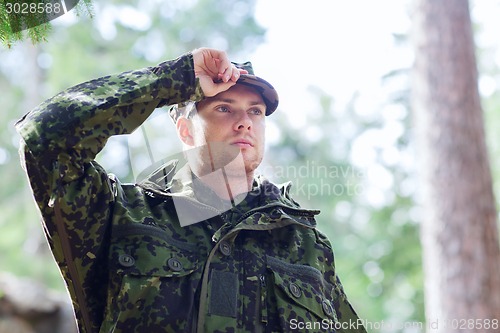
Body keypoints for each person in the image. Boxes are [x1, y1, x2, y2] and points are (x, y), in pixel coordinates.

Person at [16, 47, 367, 333]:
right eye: (223, 108)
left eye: (256, 111)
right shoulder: (119, 215)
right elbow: (45, 135)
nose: (244, 121)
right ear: (185, 131)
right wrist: (177, 80)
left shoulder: (304, 244)